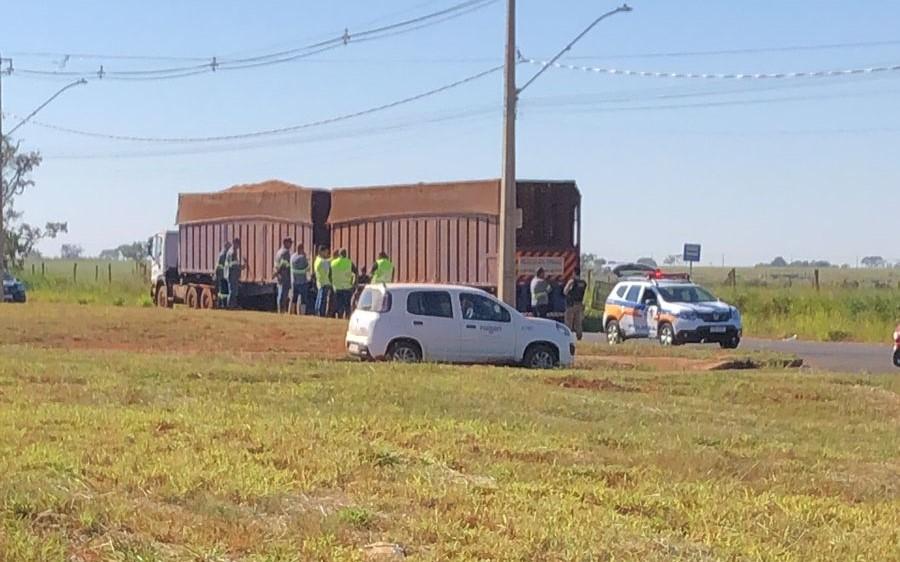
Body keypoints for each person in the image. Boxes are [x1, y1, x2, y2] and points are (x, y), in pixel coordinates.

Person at [330, 248, 356, 319]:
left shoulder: (333, 263)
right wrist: (354, 283)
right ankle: (347, 318)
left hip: (337, 287)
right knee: (347, 305)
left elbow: (329, 274)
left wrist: (332, 282)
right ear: (346, 254)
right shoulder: (349, 262)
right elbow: (355, 272)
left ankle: (340, 317)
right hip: (347, 287)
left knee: (339, 305)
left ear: (339, 255)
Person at [563, 268, 588, 340]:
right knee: (578, 322)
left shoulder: (572, 281)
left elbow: (565, 291)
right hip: (579, 304)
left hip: (571, 304)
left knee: (569, 321)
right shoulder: (583, 283)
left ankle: (567, 336)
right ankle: (579, 335)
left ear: (574, 273)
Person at [273, 238, 293, 314]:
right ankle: (281, 310)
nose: (291, 245)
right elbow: (284, 264)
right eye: (289, 243)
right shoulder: (285, 252)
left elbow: (276, 265)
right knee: (283, 294)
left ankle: (279, 309)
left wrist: (276, 273)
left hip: (279, 275)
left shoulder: (278, 252)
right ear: (285, 243)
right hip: (284, 276)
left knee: (280, 293)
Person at [225, 238, 245, 309]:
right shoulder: (232, 252)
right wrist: (241, 266)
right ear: (235, 243)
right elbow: (233, 264)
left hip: (233, 274)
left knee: (234, 290)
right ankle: (230, 306)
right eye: (238, 244)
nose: (239, 246)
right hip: (231, 274)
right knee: (232, 290)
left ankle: (233, 305)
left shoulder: (233, 251)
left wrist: (240, 267)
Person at [290, 244, 310, 315]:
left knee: (293, 298)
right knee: (303, 299)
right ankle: (302, 313)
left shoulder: (292, 257)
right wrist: (306, 257)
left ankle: (291, 312)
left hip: (294, 281)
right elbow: (308, 268)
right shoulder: (302, 258)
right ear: (302, 249)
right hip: (302, 281)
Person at [313, 245, 333, 317]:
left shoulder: (317, 260)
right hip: (325, 282)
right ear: (322, 252)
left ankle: (317, 312)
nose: (327, 254)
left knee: (319, 298)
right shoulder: (322, 261)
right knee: (322, 299)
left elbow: (326, 261)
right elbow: (327, 267)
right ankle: (321, 313)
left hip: (320, 281)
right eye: (326, 252)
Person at [215, 241, 231, 307]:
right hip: (221, 275)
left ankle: (223, 304)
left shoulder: (227, 254)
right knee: (222, 291)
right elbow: (218, 266)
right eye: (229, 246)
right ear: (226, 247)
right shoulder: (222, 255)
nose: (230, 248)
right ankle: (221, 304)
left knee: (224, 291)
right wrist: (217, 275)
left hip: (225, 275)